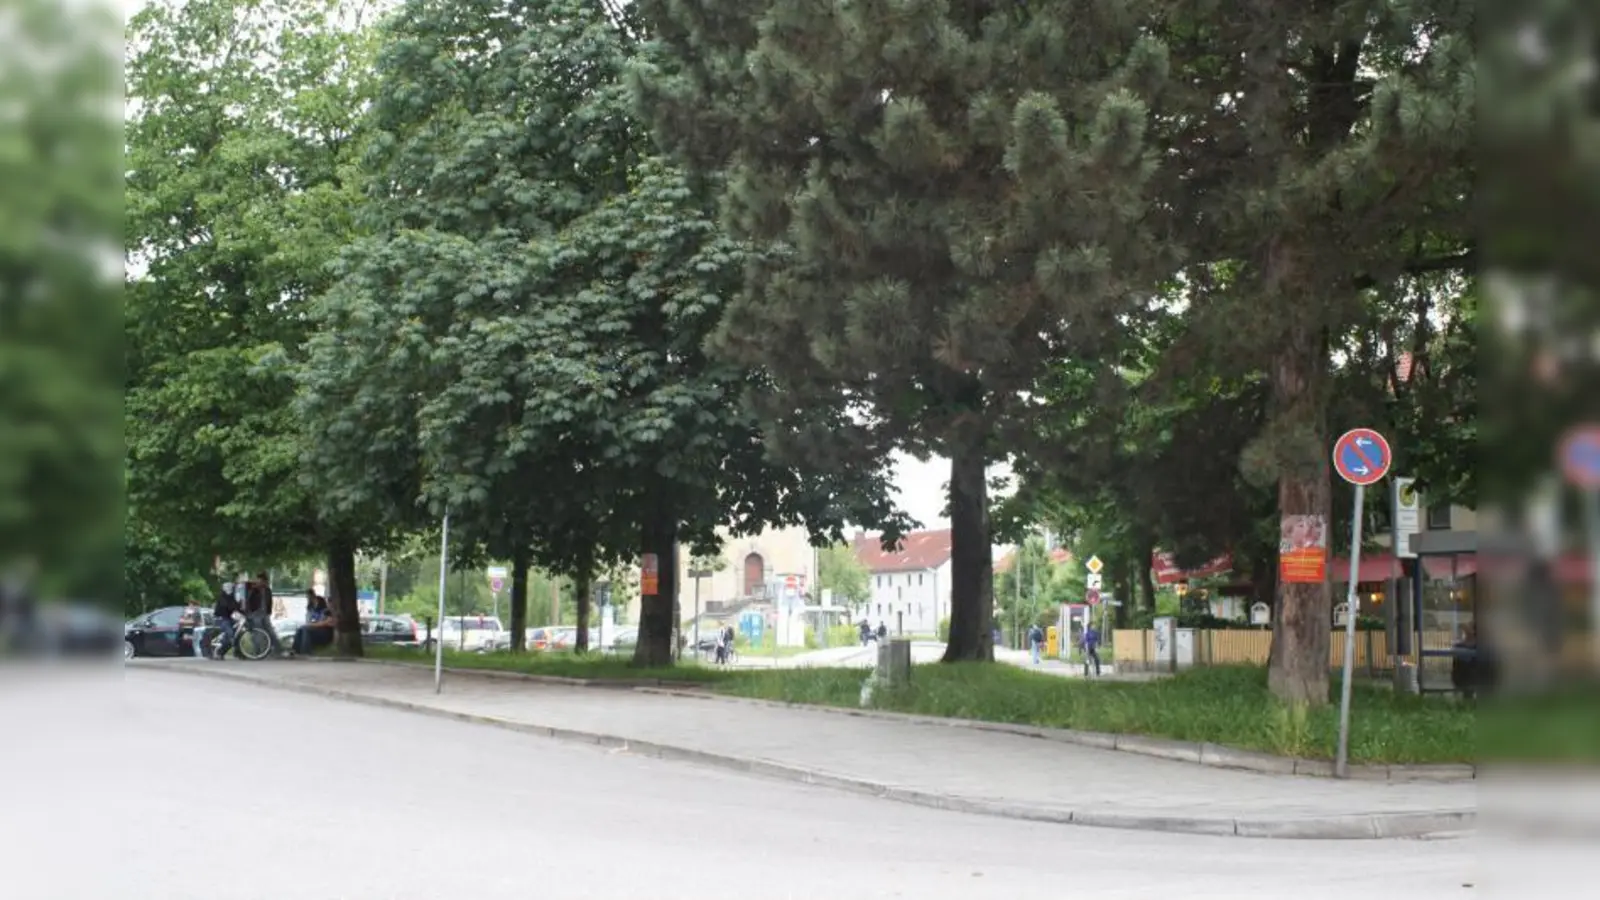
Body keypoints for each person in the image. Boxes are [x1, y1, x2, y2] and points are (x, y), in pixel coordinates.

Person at [211, 584, 240, 660]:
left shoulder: (231, 597)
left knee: (236, 633)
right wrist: (235, 607)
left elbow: (236, 606)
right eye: (229, 589)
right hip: (221, 618)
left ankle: (222, 652)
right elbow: (228, 606)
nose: (230, 590)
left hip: (228, 618)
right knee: (230, 634)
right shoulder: (222, 597)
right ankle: (219, 651)